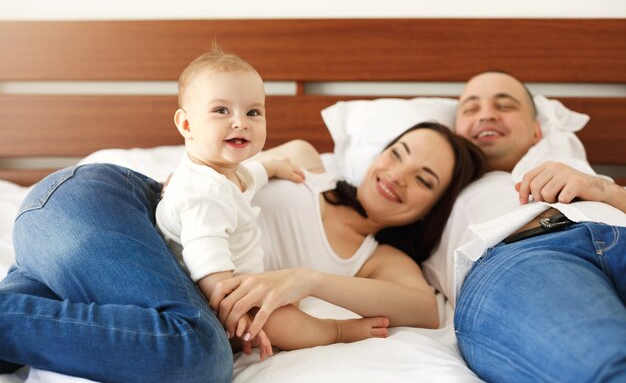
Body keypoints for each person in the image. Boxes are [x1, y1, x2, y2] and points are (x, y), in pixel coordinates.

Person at [0, 115, 484, 381]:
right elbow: (222, 169)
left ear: (434, 209)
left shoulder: (379, 259)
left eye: (423, 179)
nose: (396, 175)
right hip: (119, 206)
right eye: (397, 153)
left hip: (67, 248)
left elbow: (424, 309)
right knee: (198, 354)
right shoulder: (305, 163)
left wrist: (306, 279)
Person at [156, 47, 390, 359]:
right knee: (280, 320)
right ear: (186, 125)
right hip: (210, 295)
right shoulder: (203, 195)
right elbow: (209, 268)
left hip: (232, 282)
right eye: (221, 111)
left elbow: (248, 177)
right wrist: (239, 316)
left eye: (253, 112)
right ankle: (337, 331)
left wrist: (272, 166)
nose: (240, 122)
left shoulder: (226, 173)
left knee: (274, 303)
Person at [439, 70, 626, 383]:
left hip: (617, 227)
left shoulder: (574, 165)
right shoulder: (434, 189)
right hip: (523, 256)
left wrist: (606, 191)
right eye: (471, 109)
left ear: (537, 131)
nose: (486, 115)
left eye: (505, 105)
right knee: (609, 364)